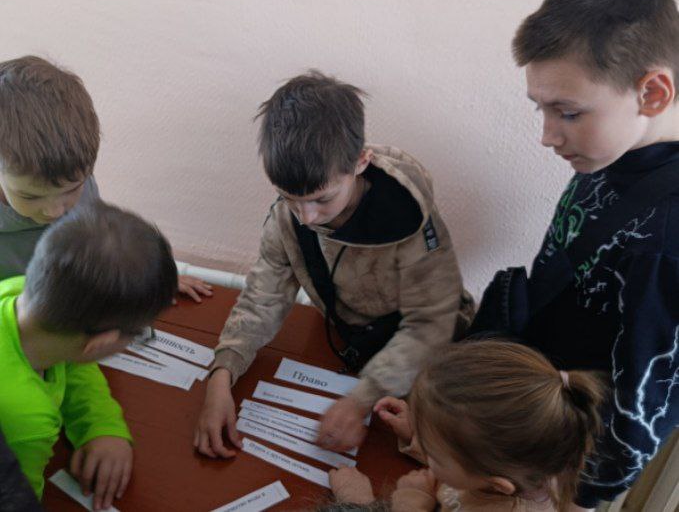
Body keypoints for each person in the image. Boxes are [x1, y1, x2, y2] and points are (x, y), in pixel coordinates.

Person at [195, 71, 473, 455]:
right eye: (289, 198)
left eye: (322, 199)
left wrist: (362, 399)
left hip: (429, 359)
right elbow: (262, 298)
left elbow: (431, 321)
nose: (306, 216)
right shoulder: (288, 217)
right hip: (353, 346)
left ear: (360, 162)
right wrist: (221, 376)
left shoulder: (406, 216)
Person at [507, 0, 679, 509]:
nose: (547, 135)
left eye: (568, 112)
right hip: (533, 425)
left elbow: (642, 405)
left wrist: (573, 496)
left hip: (565, 473)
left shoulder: (665, 240)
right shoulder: (609, 152)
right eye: (541, 108)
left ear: (653, 93)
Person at [0, 200, 177, 510]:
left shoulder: (18, 293)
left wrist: (101, 426)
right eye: (139, 335)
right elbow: (19, 500)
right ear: (100, 342)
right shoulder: (27, 421)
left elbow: (73, 364)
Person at [0, 55, 210, 300]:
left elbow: (93, 250)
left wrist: (145, 279)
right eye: (30, 196)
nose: (55, 211)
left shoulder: (75, 176)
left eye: (72, 189)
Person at [328, 340, 605, 511]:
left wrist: (363, 503)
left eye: (435, 454)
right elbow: (465, 466)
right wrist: (419, 434)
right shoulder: (510, 467)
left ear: (497, 486)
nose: (428, 453)